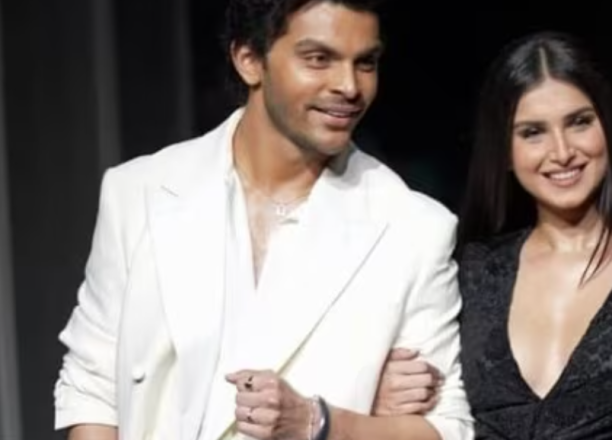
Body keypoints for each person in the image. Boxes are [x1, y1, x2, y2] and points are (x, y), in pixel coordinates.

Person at [52, 1, 474, 439]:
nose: (349, 86)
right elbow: (92, 385)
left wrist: (317, 422)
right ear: (249, 60)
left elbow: (448, 430)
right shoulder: (139, 192)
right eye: (319, 59)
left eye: (365, 63)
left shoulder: (413, 228)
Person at [372, 30, 612, 439]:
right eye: (533, 132)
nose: (562, 152)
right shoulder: (471, 270)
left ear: (608, 127)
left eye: (579, 122)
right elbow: (426, 410)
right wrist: (379, 391)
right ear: (505, 151)